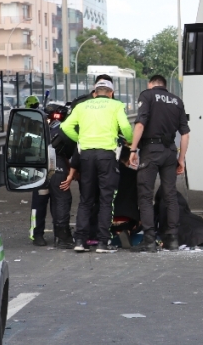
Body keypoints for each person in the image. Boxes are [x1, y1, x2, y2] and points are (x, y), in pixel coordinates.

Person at [61, 79, 133, 253]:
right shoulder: (115, 106)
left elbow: (65, 126)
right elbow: (125, 126)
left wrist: (80, 139)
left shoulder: (82, 106)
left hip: (86, 156)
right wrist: (130, 140)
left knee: (86, 200)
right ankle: (102, 242)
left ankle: (80, 240)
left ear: (95, 92)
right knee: (106, 200)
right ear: (110, 93)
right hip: (106, 156)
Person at [128, 74, 190, 252]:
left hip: (151, 151)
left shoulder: (147, 95)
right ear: (164, 85)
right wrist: (181, 159)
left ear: (151, 84)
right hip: (170, 151)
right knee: (170, 195)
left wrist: (133, 149)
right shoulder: (177, 101)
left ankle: (149, 240)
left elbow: (140, 124)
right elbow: (185, 133)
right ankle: (172, 239)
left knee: (145, 195)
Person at [29, 102, 76, 248]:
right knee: (61, 200)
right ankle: (61, 236)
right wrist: (73, 172)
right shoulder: (66, 129)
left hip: (40, 169)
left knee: (39, 202)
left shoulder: (37, 128)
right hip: (57, 168)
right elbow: (72, 153)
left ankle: (37, 234)